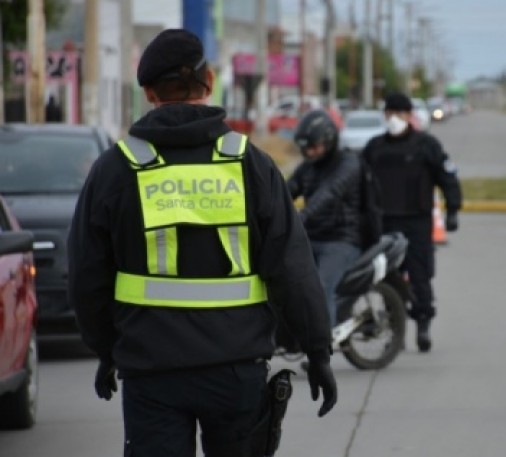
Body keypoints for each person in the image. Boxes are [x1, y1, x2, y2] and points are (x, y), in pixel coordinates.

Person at [67, 29, 337, 457]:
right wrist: (317, 349)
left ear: (149, 91)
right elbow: (292, 265)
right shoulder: (250, 163)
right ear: (208, 81)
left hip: (151, 373)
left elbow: (86, 274)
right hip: (236, 371)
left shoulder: (116, 169)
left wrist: (106, 349)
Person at [362, 92, 462, 352]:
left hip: (416, 221)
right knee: (386, 276)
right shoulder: (374, 147)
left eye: (400, 113)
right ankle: (395, 331)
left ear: (409, 116)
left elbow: (447, 177)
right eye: (390, 113)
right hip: (384, 222)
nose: (394, 118)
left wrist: (453, 209)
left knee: (419, 275)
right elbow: (359, 184)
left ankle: (423, 324)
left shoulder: (426, 145)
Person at [287, 109, 363, 328]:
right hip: (312, 237)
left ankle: (322, 351)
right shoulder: (308, 166)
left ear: (329, 141)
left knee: (320, 287)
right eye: (305, 148)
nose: (309, 152)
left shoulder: (348, 163)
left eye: (313, 146)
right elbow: (286, 190)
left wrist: (301, 216)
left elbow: (328, 194)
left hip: (341, 240)